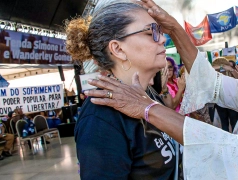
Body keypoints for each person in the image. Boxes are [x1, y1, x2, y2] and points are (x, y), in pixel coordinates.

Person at [85, 0, 238, 179]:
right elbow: (209, 80)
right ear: (117, 49)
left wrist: (148, 108)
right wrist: (174, 29)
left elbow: (235, 153)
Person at [65, 2, 178, 179]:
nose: (163, 39)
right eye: (151, 32)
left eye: (160, 31)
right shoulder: (100, 117)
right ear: (118, 49)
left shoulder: (148, 93)